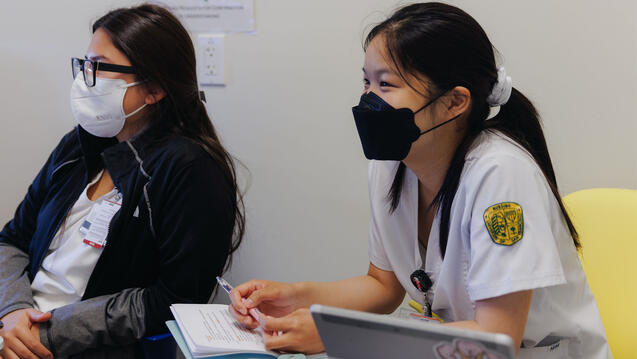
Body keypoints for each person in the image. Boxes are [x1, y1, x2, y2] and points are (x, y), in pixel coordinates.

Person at [229, 3, 610, 358]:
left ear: (454, 102)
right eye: (367, 82)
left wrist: (332, 336)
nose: (368, 100)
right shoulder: (391, 164)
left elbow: (497, 337)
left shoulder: (501, 173)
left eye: (386, 85)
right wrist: (292, 297)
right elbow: (382, 286)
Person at [0, 4, 245, 358]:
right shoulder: (79, 144)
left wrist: (45, 333)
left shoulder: (189, 168)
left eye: (99, 67)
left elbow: (174, 300)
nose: (85, 78)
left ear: (155, 89)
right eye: (84, 64)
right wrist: (13, 312)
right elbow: (12, 240)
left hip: (76, 344)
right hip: (18, 325)